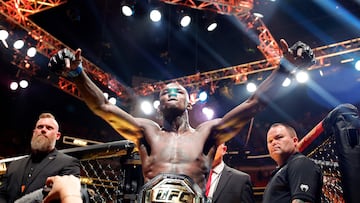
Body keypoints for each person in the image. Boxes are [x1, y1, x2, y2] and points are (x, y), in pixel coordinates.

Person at [48, 39, 315, 202]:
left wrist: (284, 70)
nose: (172, 93)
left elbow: (253, 103)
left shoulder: (207, 133)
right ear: (159, 104)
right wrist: (78, 75)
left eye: (180, 91)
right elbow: (104, 106)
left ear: (190, 103)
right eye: (165, 92)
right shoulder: (146, 132)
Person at [0, 113, 80, 203]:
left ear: (57, 136)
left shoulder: (68, 163)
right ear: (34, 132)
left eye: (49, 128)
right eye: (40, 127)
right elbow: (2, 194)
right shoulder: (14, 165)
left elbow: (63, 196)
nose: (43, 130)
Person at [262, 123, 323, 203]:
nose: (273, 143)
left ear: (294, 141)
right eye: (270, 141)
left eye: (279, 137)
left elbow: (303, 200)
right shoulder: (279, 172)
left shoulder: (301, 163)